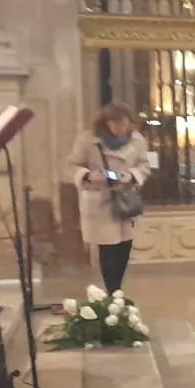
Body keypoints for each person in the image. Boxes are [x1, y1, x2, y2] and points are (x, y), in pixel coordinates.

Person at [67, 104, 151, 295]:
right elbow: (72, 165)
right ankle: (114, 293)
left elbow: (145, 164)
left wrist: (132, 175)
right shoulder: (88, 140)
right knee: (108, 249)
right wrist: (88, 175)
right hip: (100, 200)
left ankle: (117, 291)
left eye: (124, 122)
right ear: (105, 123)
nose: (121, 127)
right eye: (115, 123)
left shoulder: (137, 140)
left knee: (124, 247)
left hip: (125, 200)